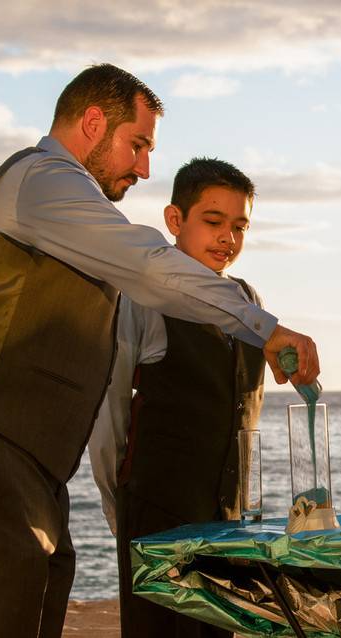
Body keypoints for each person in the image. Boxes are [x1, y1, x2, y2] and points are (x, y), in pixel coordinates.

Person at [0, 64, 318, 638]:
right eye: (138, 144)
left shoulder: (69, 206)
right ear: (94, 123)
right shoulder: (41, 179)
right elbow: (148, 265)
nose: (145, 168)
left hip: (28, 460)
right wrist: (263, 327)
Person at [89, 157, 264, 638]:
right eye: (213, 222)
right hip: (157, 517)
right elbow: (109, 408)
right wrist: (119, 505)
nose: (227, 237)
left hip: (229, 522)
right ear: (174, 220)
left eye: (239, 225)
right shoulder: (142, 297)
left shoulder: (249, 300)